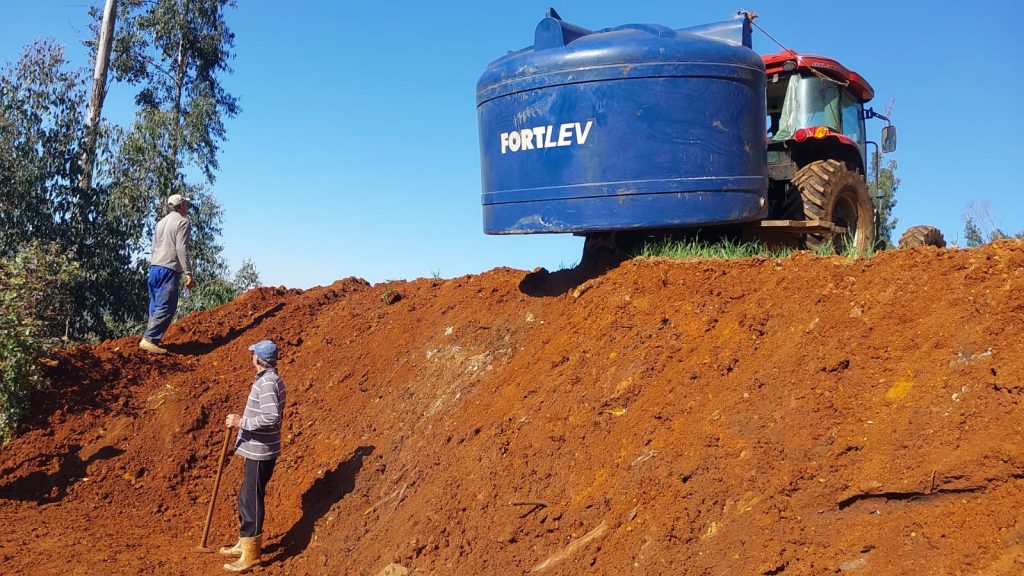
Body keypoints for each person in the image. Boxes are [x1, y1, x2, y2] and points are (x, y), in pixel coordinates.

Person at [219, 339, 286, 573]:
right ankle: (244, 542)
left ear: (258, 359)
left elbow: (271, 417)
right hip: (257, 449)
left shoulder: (267, 382)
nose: (252, 357)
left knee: (251, 500)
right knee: (247, 495)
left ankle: (252, 554)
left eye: (253, 354)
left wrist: (241, 422)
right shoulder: (266, 379)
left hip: (261, 451)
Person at [139, 193, 195, 354]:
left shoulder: (160, 223)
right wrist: (188, 272)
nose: (187, 208)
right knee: (167, 305)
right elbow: (180, 248)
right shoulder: (183, 222)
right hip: (169, 268)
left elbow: (154, 246)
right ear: (181, 206)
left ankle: (152, 340)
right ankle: (149, 339)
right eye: (186, 205)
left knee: (155, 305)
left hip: (155, 267)